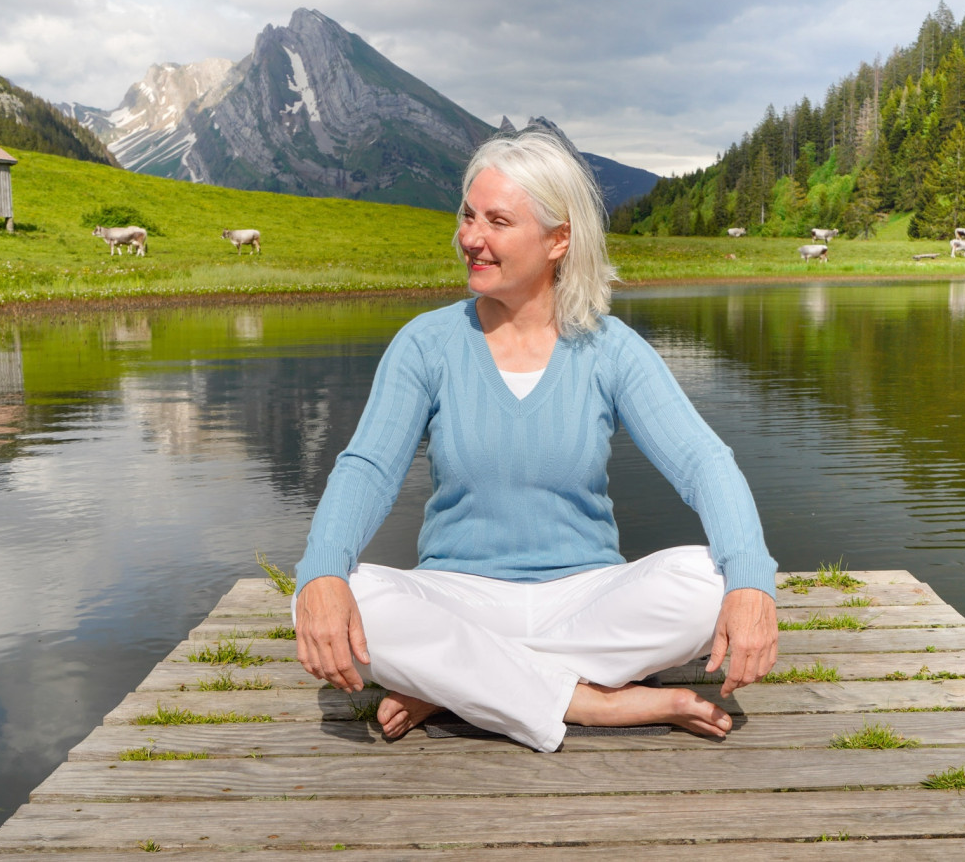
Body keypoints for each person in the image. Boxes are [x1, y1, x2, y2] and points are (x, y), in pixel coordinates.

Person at [293, 129, 778, 752]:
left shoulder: (609, 349)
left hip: (587, 596)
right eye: (468, 215)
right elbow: (366, 470)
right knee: (330, 592)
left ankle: (454, 683)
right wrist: (323, 578)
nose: (472, 237)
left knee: (712, 578)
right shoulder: (425, 344)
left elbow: (704, 463)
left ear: (559, 239)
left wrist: (751, 586)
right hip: (456, 594)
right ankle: (592, 702)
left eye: (498, 221)